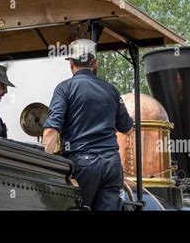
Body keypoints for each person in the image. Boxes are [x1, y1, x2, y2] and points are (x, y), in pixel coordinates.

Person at [42, 39, 133, 211]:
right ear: (94, 62)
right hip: (111, 164)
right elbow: (128, 129)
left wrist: (43, 165)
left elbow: (51, 131)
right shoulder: (111, 90)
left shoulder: (64, 89)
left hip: (82, 164)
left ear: (70, 63)